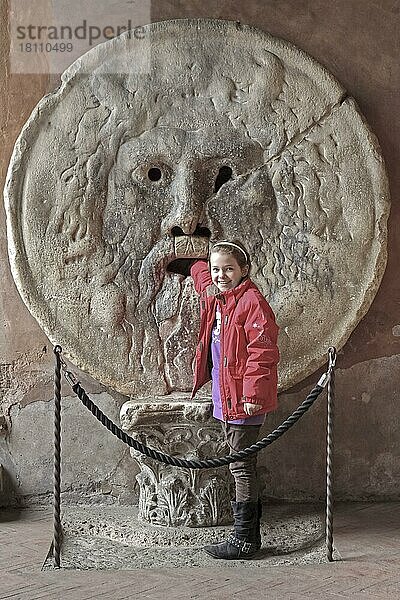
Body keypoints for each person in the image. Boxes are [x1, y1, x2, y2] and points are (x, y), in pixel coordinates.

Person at [190, 240, 279, 560]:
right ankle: (249, 535)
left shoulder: (251, 302)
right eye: (217, 269)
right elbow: (202, 277)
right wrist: (197, 265)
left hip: (243, 400)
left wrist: (253, 395)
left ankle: (244, 539)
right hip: (226, 396)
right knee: (240, 464)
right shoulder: (221, 298)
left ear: (244, 270)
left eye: (229, 269)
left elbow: (262, 350)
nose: (221, 275)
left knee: (241, 467)